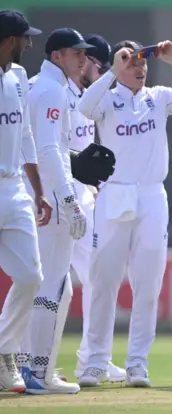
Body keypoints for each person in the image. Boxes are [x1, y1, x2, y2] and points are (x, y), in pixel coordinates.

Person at [77, 40, 172, 388]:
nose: (139, 69)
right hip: (114, 194)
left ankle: (137, 363)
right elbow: (83, 108)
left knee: (148, 284)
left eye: (142, 63)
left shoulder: (160, 97)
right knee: (104, 280)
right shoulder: (105, 98)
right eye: (131, 63)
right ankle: (95, 361)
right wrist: (112, 70)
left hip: (152, 196)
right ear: (117, 66)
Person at [21, 28, 94, 395]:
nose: (82, 58)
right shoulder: (51, 90)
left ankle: (21, 366)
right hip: (51, 197)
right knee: (55, 285)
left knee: (34, 284)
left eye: (83, 53)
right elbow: (49, 151)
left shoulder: (36, 85)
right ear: (56, 56)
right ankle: (39, 373)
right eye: (74, 53)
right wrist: (69, 200)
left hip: (36, 193)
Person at [67, 33, 126, 384]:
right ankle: (21, 357)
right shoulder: (57, 92)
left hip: (82, 198)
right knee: (45, 282)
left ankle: (92, 358)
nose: (98, 72)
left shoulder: (83, 97)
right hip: (56, 197)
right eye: (98, 66)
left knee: (97, 277)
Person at [0, 10, 51, 394]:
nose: (29, 44)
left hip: (14, 187)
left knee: (32, 276)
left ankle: (4, 354)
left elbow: (27, 136)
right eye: (24, 38)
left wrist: (38, 190)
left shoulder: (18, 77)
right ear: (9, 40)